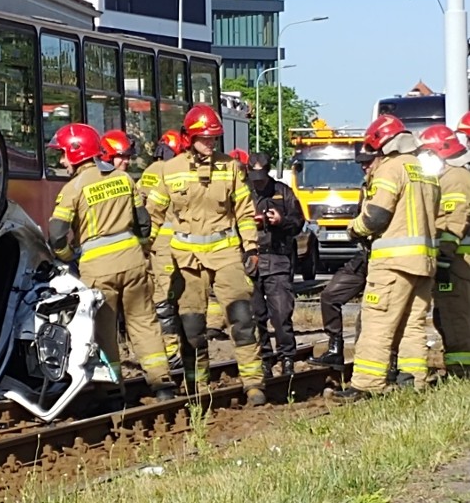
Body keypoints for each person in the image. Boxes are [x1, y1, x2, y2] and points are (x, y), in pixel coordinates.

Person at [145, 104, 266, 405]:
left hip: (226, 254)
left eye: (214, 139)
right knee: (192, 328)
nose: (210, 144)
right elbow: (153, 216)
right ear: (189, 138)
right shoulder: (168, 171)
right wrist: (143, 249)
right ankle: (196, 389)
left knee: (241, 319)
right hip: (186, 261)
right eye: (204, 138)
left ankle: (254, 384)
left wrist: (250, 246)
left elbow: (245, 212)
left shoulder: (231, 168)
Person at [47, 123, 176, 402]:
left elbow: (57, 235)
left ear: (75, 152)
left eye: (62, 154)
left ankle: (113, 390)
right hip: (134, 264)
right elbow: (143, 223)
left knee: (103, 331)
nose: (60, 161)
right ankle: (162, 382)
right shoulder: (124, 179)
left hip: (97, 269)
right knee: (144, 322)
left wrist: (69, 258)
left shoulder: (73, 188)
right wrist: (140, 250)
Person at [334, 114, 439, 400]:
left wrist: (354, 229)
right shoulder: (424, 169)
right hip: (423, 263)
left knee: (377, 321)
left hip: (393, 262)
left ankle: (368, 384)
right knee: (412, 323)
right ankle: (414, 381)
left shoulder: (391, 169)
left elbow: (377, 215)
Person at [308, 148, 377, 370]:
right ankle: (335, 348)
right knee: (330, 295)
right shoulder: (367, 187)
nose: (365, 167)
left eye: (368, 162)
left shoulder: (388, 182)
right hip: (366, 255)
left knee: (375, 315)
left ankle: (390, 363)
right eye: (362, 164)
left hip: (385, 259)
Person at [245, 152, 305, 378]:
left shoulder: (283, 192)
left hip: (278, 258)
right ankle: (264, 360)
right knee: (255, 315)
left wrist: (281, 221)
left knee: (281, 313)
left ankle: (287, 358)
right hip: (251, 259)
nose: (258, 181)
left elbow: (299, 222)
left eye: (261, 177)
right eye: (254, 177)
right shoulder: (243, 192)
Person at [418, 124, 470, 377]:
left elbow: (454, 221)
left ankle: (461, 371)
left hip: (457, 261)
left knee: (453, 315)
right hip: (456, 259)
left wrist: (445, 257)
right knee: (447, 315)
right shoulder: (448, 176)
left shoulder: (454, 179)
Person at [138, 130, 185, 368]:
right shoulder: (170, 171)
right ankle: (173, 350)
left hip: (152, 244)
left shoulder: (147, 172)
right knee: (168, 298)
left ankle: (167, 348)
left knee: (157, 297)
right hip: (169, 245)